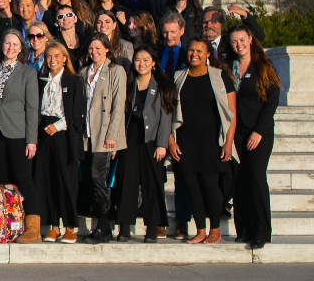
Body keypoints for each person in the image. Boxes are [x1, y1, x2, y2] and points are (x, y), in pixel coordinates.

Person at [170, 39, 237, 245]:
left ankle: (214, 230)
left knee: (210, 184)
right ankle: (200, 230)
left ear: (208, 54)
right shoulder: (178, 77)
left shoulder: (219, 76)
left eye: (200, 50)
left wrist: (228, 142)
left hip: (211, 140)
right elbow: (169, 111)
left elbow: (232, 114)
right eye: (191, 49)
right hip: (185, 140)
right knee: (191, 186)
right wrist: (171, 141)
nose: (194, 54)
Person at [0, 30, 42, 243]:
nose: (11, 48)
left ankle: (33, 229)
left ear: (20, 48)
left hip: (18, 133)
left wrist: (31, 139)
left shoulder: (28, 73)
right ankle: (4, 225)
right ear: (2, 45)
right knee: (1, 182)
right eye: (7, 43)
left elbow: (32, 108)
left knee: (24, 179)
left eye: (15, 44)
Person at [115, 47, 175, 242]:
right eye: (138, 60)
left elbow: (166, 117)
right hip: (130, 137)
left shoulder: (162, 86)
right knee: (127, 181)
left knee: (152, 184)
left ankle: (152, 227)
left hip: (152, 140)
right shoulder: (128, 83)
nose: (141, 63)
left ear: (153, 63)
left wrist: (162, 144)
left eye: (146, 59)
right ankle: (124, 226)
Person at [228, 26, 280, 248]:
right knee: (239, 179)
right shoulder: (228, 67)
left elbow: (273, 99)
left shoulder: (263, 65)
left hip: (260, 130)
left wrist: (259, 131)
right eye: (233, 42)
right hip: (236, 130)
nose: (238, 45)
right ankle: (244, 228)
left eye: (242, 39)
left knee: (256, 177)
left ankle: (262, 230)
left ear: (250, 39)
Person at [32, 43, 86, 244]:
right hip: (43, 131)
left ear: (65, 58)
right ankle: (54, 226)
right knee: (47, 179)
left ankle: (70, 227)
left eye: (56, 56)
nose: (52, 60)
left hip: (63, 132)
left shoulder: (73, 80)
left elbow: (77, 112)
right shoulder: (41, 80)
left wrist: (59, 126)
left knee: (65, 180)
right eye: (48, 56)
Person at [79, 34, 128, 243]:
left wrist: (112, 136)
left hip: (104, 133)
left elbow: (119, 106)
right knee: (90, 178)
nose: (94, 52)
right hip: (87, 134)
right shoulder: (84, 72)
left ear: (107, 49)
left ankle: (104, 225)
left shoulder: (115, 71)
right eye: (91, 48)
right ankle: (102, 224)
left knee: (98, 177)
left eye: (98, 48)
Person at [158, 12, 190, 76]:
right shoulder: (155, 54)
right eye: (165, 32)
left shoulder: (188, 55)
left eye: (173, 32)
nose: (169, 37)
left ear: (182, 31)